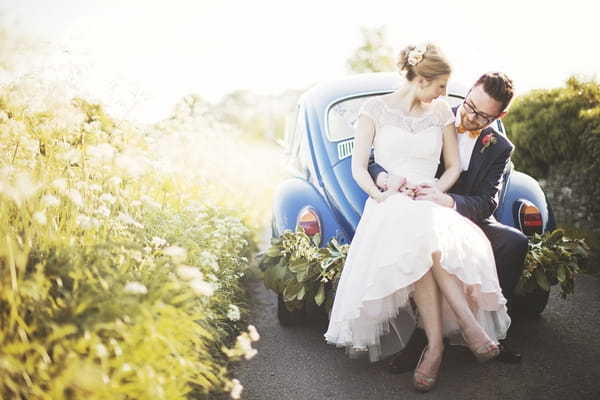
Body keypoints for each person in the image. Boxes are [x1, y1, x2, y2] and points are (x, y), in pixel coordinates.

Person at [323, 43, 511, 392]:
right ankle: (468, 328)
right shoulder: (374, 110)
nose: (446, 94)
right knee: (423, 236)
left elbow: (452, 166)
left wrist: (435, 191)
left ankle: (437, 348)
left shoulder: (441, 112)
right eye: (441, 85)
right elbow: (359, 165)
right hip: (389, 200)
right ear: (422, 79)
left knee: (427, 238)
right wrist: (381, 192)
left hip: (428, 198)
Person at [371, 71, 529, 374]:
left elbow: (488, 202)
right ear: (467, 92)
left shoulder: (500, 146)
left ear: (500, 115)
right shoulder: (430, 115)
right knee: (426, 236)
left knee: (514, 242)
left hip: (465, 216)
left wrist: (451, 201)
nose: (470, 118)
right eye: (469, 105)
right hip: (417, 211)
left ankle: (493, 329)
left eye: (482, 116)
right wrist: (389, 179)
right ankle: (422, 338)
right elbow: (375, 157)